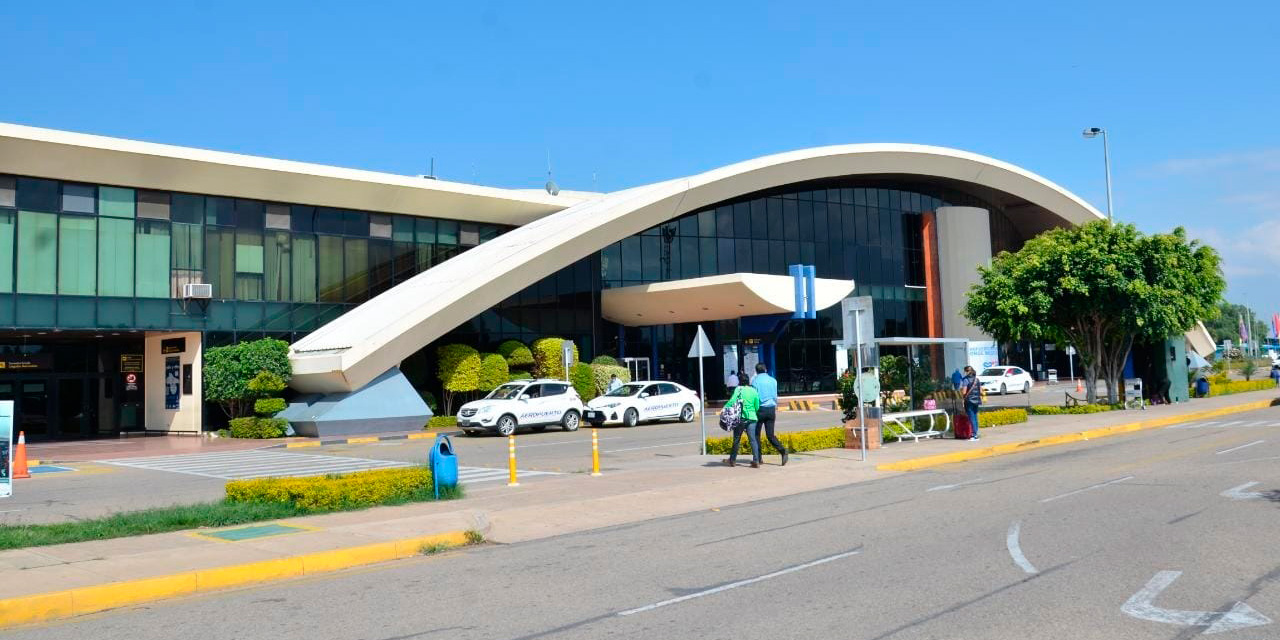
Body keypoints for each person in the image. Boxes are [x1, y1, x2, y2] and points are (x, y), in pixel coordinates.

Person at [723, 372, 761, 468]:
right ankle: (756, 460)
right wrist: (752, 411)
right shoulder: (754, 391)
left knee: (736, 439)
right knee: (753, 440)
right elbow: (757, 405)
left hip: (741, 418)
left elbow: (732, 401)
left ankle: (733, 460)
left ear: (739, 381)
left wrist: (725, 407)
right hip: (752, 418)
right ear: (748, 381)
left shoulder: (738, 389)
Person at [751, 363, 787, 466]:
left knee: (756, 434)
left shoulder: (755, 381)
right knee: (770, 435)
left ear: (756, 371)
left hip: (760, 409)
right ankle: (783, 451)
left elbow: (755, 398)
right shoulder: (773, 380)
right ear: (766, 370)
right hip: (771, 409)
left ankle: (758, 458)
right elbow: (775, 396)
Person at [961, 366, 982, 441]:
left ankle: (974, 435)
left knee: (971, 417)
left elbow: (964, 392)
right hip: (977, 400)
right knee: (975, 417)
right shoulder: (977, 379)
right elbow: (981, 391)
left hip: (969, 401)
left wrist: (962, 397)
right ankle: (976, 433)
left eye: (964, 371)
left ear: (967, 371)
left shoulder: (965, 380)